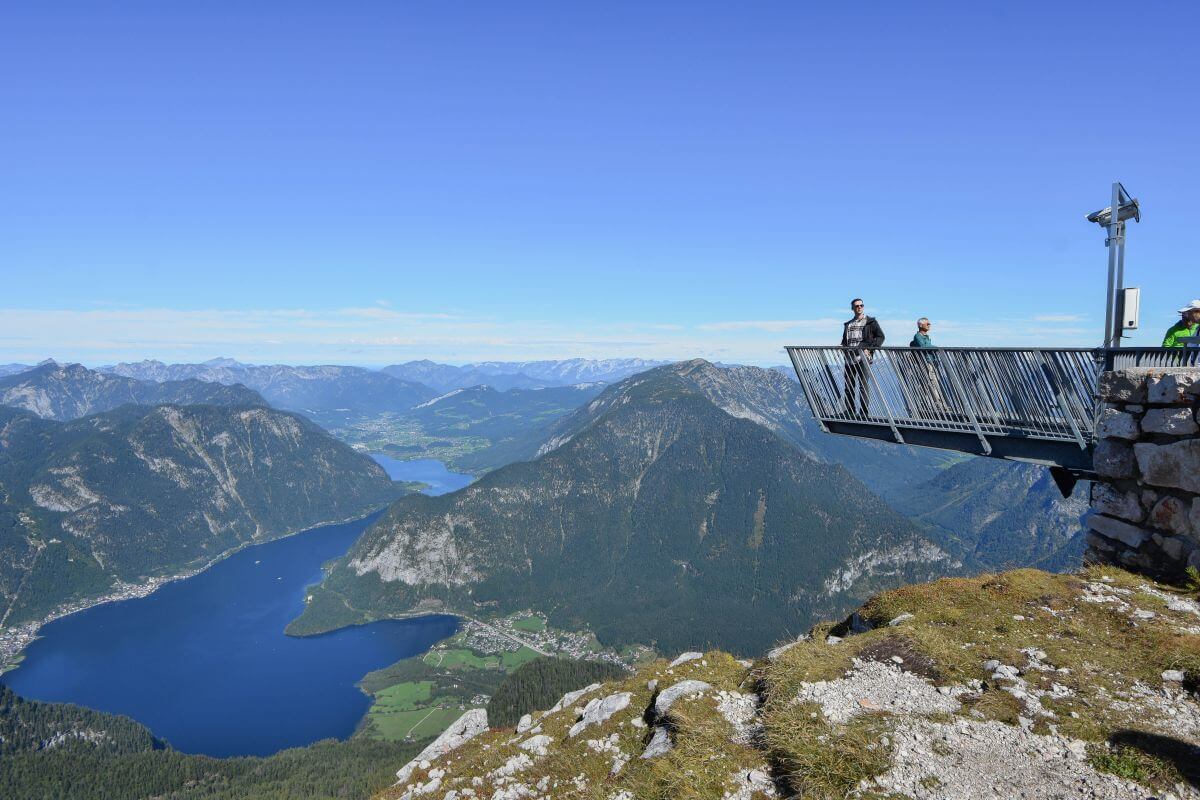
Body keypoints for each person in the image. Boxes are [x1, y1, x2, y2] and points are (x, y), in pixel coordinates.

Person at [841, 298, 885, 417]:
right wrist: (843, 348)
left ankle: (863, 413)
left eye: (861, 305)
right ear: (853, 308)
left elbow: (881, 337)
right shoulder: (848, 324)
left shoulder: (870, 322)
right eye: (856, 306)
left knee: (863, 386)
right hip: (849, 359)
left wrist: (870, 350)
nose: (859, 307)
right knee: (849, 386)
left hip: (863, 358)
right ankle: (850, 411)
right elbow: (845, 340)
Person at [909, 317, 948, 413]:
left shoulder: (926, 336)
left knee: (927, 383)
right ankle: (939, 404)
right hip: (926, 362)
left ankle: (924, 403)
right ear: (921, 325)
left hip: (930, 362)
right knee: (932, 383)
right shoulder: (918, 336)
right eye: (927, 324)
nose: (929, 325)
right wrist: (936, 348)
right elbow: (924, 347)